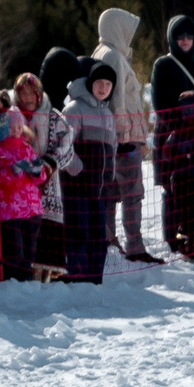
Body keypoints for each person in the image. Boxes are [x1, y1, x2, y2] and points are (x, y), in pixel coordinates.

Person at [150, 14, 194, 262]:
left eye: (189, 35)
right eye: (180, 35)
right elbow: (158, 103)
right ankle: (173, 239)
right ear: (172, 38)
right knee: (172, 189)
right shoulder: (163, 65)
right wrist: (180, 123)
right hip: (171, 137)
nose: (184, 40)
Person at [90, 7, 157, 262]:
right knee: (132, 195)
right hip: (123, 139)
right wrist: (121, 137)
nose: (130, 35)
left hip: (117, 139)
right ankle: (135, 247)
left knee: (111, 193)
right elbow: (116, 100)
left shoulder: (105, 52)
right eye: (127, 28)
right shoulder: (114, 56)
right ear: (116, 28)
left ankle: (110, 241)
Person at [60, 59, 119, 282]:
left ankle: (95, 277)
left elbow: (112, 146)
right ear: (90, 83)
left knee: (98, 233)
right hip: (77, 185)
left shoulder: (109, 114)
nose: (102, 88)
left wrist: (109, 174)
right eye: (99, 83)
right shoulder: (75, 109)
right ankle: (78, 275)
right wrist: (77, 169)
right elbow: (62, 144)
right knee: (79, 230)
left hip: (99, 186)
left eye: (107, 84)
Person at [16, 67, 79, 273]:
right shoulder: (12, 117)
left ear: (38, 94)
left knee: (46, 229)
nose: (27, 98)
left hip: (48, 185)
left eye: (30, 93)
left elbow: (67, 147)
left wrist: (50, 163)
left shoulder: (54, 118)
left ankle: (46, 275)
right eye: (22, 93)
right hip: (19, 184)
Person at [0, 86, 46, 278]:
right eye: (11, 128)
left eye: (19, 127)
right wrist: (12, 172)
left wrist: (38, 171)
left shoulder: (27, 149)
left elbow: (40, 177)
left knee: (29, 253)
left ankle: (26, 289)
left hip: (32, 209)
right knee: (14, 253)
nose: (16, 131)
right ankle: (8, 285)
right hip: (10, 211)